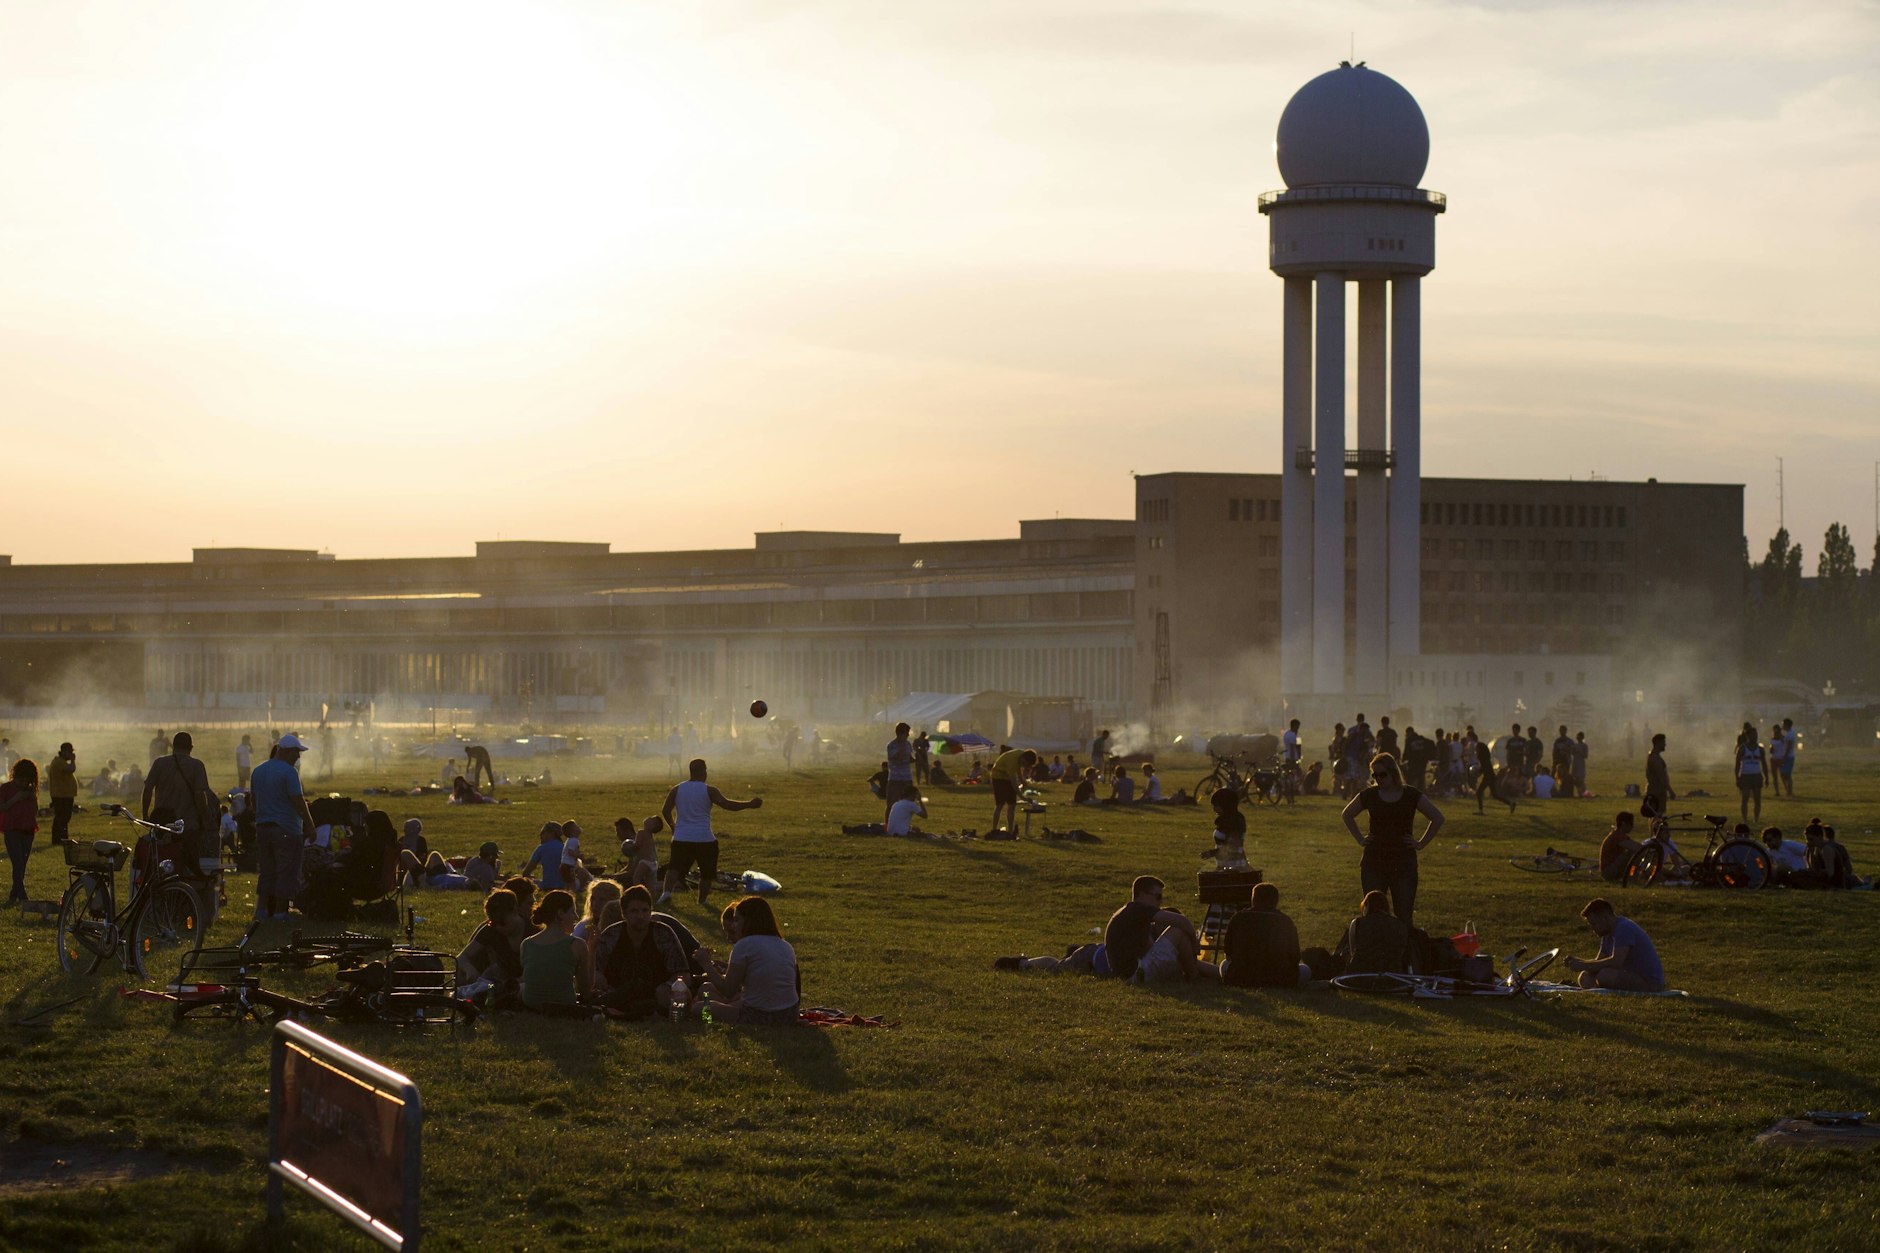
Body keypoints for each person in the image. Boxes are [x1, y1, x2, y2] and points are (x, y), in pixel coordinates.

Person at [1340, 752, 1444, 926]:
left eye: (1382, 774)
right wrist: (1360, 838)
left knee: (1404, 915)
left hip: (1403, 863)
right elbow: (1347, 814)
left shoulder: (1411, 795)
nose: (1378, 778)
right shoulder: (1370, 795)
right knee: (1372, 915)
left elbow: (1437, 818)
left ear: (1393, 773)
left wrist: (1420, 843)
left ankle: (1404, 951)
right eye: (1374, 775)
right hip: (1374, 861)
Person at [660, 758, 763, 907]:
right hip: (704, 839)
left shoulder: (677, 789)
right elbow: (727, 805)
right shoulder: (709, 790)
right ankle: (702, 901)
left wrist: (673, 827)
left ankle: (666, 894)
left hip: (681, 837)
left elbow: (665, 810)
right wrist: (749, 804)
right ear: (703, 771)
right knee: (706, 872)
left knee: (673, 867)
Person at [698, 895, 801, 1025]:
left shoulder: (745, 944)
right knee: (706, 988)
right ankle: (727, 1007)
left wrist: (706, 964)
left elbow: (728, 990)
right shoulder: (784, 944)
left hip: (759, 1015)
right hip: (790, 1014)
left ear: (749, 921)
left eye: (737, 920)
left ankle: (717, 1014)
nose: (733, 926)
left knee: (699, 1007)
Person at [592, 884, 691, 1018]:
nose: (641, 916)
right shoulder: (612, 934)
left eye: (645, 910)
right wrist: (597, 976)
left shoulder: (663, 933)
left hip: (655, 996)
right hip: (618, 995)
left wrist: (667, 986)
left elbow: (683, 974)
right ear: (624, 914)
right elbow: (594, 970)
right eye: (634, 911)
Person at [1103, 875, 1215, 984]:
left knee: (1182, 955)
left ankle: (1222, 974)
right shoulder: (1137, 909)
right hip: (1135, 975)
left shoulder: (1132, 916)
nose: (1160, 901)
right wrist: (1194, 942)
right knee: (1177, 931)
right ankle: (1194, 977)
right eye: (1158, 897)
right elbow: (1182, 921)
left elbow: (1150, 948)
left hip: (1132, 974)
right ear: (1142, 894)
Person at [252, 734, 316, 921]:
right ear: (286, 751)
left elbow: (254, 801)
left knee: (267, 871)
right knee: (286, 871)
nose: (298, 757)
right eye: (296, 752)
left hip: (263, 827)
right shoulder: (289, 773)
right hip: (287, 828)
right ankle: (280, 912)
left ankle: (262, 911)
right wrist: (310, 825)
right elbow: (298, 802)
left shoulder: (258, 770)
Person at [142, 731, 217, 879]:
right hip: (188, 825)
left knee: (160, 864)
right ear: (191, 747)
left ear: (173, 746)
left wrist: (145, 814)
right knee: (188, 865)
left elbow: (148, 789)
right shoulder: (196, 766)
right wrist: (204, 818)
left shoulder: (159, 763)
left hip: (162, 825)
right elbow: (200, 796)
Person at [1564, 898, 1666, 992]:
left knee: (1605, 975)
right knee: (1585, 976)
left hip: (1649, 982)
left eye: (1594, 924)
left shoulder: (1623, 928)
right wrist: (1578, 961)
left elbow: (1616, 962)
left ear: (1605, 917)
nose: (1593, 929)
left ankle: (1599, 988)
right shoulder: (1607, 933)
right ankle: (1599, 989)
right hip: (1629, 975)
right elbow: (1598, 961)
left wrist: (1583, 965)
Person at [518, 889, 591, 1012]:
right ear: (561, 914)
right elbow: (585, 990)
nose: (576, 917)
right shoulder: (577, 944)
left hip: (531, 1003)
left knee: (521, 986)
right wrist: (592, 948)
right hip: (564, 1003)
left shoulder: (526, 944)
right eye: (573, 912)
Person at [1220, 882, 1303, 988]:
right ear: (1276, 901)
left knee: (1224, 965)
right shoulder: (1285, 921)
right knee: (1305, 970)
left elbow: (1228, 952)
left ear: (1253, 899)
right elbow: (1294, 956)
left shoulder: (1239, 917)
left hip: (1241, 977)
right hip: (1280, 979)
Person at [456, 888, 526, 996]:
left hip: (526, 981)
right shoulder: (490, 930)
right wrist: (470, 970)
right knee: (460, 976)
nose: (498, 928)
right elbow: (462, 957)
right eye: (493, 923)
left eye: (502, 922)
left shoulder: (533, 930)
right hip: (497, 980)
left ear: (515, 911)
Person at [1340, 889, 1413, 975]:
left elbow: (1353, 951)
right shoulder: (1400, 925)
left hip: (1360, 974)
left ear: (1367, 905)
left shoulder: (1357, 923)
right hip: (1393, 975)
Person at [2, 758, 39, 905]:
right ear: (15, 776)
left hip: (28, 831)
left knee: (22, 864)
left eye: (26, 781)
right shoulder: (6, 788)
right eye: (20, 781)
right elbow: (2, 807)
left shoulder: (29, 790)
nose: (23, 784)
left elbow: (35, 811)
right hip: (12, 830)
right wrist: (17, 798)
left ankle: (13, 894)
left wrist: (32, 798)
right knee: (17, 864)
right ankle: (23, 896)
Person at [988, 746, 1038, 833]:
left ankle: (1010, 830)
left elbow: (1018, 768)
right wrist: (1023, 798)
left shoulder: (1022, 754)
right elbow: (1014, 784)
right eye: (1025, 764)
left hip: (1007, 777)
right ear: (1024, 758)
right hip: (998, 777)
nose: (1024, 766)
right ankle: (994, 829)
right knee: (1000, 805)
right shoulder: (1012, 761)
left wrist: (1022, 780)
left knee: (1012, 805)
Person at [884, 723, 917, 826]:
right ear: (900, 733)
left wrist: (916, 759)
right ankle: (888, 825)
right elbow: (894, 758)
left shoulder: (908, 744)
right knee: (891, 803)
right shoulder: (892, 745)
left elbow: (909, 758)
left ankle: (904, 824)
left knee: (907, 803)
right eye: (906, 733)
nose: (908, 735)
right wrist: (902, 748)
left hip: (907, 778)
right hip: (895, 779)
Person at [1734, 725, 1768, 823]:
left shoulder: (1760, 749)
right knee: (1745, 799)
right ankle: (1745, 819)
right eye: (1753, 735)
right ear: (1748, 736)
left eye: (1756, 735)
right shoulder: (1742, 749)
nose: (1755, 737)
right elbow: (1737, 765)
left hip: (1757, 775)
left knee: (1757, 800)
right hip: (1745, 776)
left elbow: (1764, 764)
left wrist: (1766, 777)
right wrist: (1737, 778)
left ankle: (1755, 819)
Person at [620, 816, 663, 892]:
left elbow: (637, 845)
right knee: (650, 883)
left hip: (645, 862)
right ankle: (652, 897)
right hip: (653, 862)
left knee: (636, 878)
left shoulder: (641, 832)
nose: (649, 818)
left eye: (651, 820)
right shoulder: (650, 835)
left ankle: (639, 893)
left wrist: (629, 847)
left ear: (652, 826)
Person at [1599, 811, 1643, 883]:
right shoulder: (1617, 836)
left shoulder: (1620, 836)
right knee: (1632, 854)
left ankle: (1633, 877)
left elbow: (1637, 846)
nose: (1632, 827)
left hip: (1611, 869)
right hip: (1608, 872)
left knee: (1635, 853)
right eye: (1630, 824)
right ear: (1623, 824)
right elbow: (1635, 847)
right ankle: (1631, 877)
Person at [522, 823, 568, 890]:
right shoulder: (565, 848)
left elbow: (526, 872)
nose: (540, 835)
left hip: (547, 885)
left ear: (552, 833)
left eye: (543, 832)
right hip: (565, 885)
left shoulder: (542, 848)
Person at [1474, 736, 1514, 815]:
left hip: (1488, 777)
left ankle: (1481, 811)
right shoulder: (1485, 758)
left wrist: (1478, 773)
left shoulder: (1483, 758)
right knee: (1495, 795)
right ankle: (1510, 803)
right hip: (1491, 777)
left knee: (1479, 792)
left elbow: (1484, 769)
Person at [46, 742, 77, 844]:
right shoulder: (59, 762)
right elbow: (71, 769)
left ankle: (62, 838)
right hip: (61, 795)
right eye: (70, 752)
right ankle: (59, 839)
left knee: (63, 817)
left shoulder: (59, 761)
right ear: (64, 752)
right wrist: (73, 760)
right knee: (62, 817)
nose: (72, 754)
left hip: (62, 794)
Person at [1643, 733, 1673, 818]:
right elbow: (1661, 777)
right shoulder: (1655, 758)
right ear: (1658, 743)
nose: (1665, 744)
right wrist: (1670, 791)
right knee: (1657, 816)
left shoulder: (1652, 756)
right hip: (1657, 792)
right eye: (1663, 742)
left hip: (1655, 791)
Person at [1777, 718, 1797, 796]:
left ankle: (1790, 791)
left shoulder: (1790, 734)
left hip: (1789, 757)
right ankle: (1788, 790)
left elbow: (1788, 747)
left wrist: (1784, 757)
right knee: (1783, 774)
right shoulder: (1788, 734)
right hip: (1787, 756)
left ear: (1786, 725)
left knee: (1787, 774)